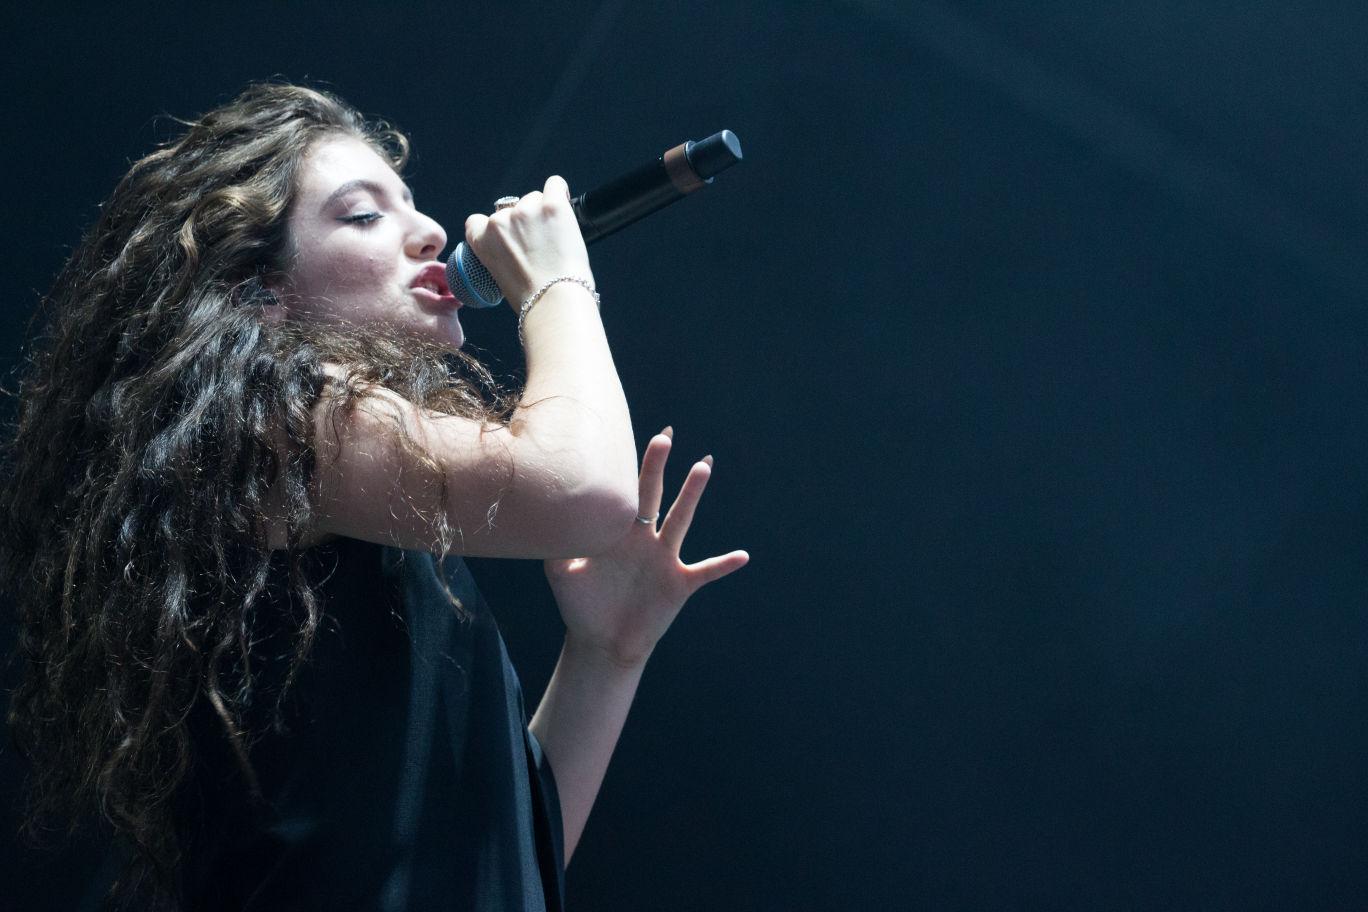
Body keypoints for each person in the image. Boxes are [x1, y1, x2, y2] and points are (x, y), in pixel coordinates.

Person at [0, 83, 748, 910]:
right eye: (364, 216)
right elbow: (583, 488)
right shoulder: (276, 420)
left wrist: (607, 654)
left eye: (412, 205)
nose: (431, 232)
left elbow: (505, 862)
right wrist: (557, 284)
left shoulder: (381, 513)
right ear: (260, 294)